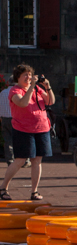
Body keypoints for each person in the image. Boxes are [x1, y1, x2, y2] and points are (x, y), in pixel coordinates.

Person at [1, 65, 54, 201]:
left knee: (37, 161)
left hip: (42, 128)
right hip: (23, 129)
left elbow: (50, 101)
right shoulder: (15, 90)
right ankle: (3, 187)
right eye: (25, 75)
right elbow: (23, 103)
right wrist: (31, 87)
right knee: (20, 160)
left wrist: (47, 87)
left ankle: (34, 191)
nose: (29, 78)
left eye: (30, 75)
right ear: (18, 77)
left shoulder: (38, 89)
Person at [0, 79, 11, 165]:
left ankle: (10, 161)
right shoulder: (19, 92)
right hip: (17, 119)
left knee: (8, 141)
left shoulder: (3, 92)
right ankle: (24, 160)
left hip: (4, 119)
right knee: (21, 140)